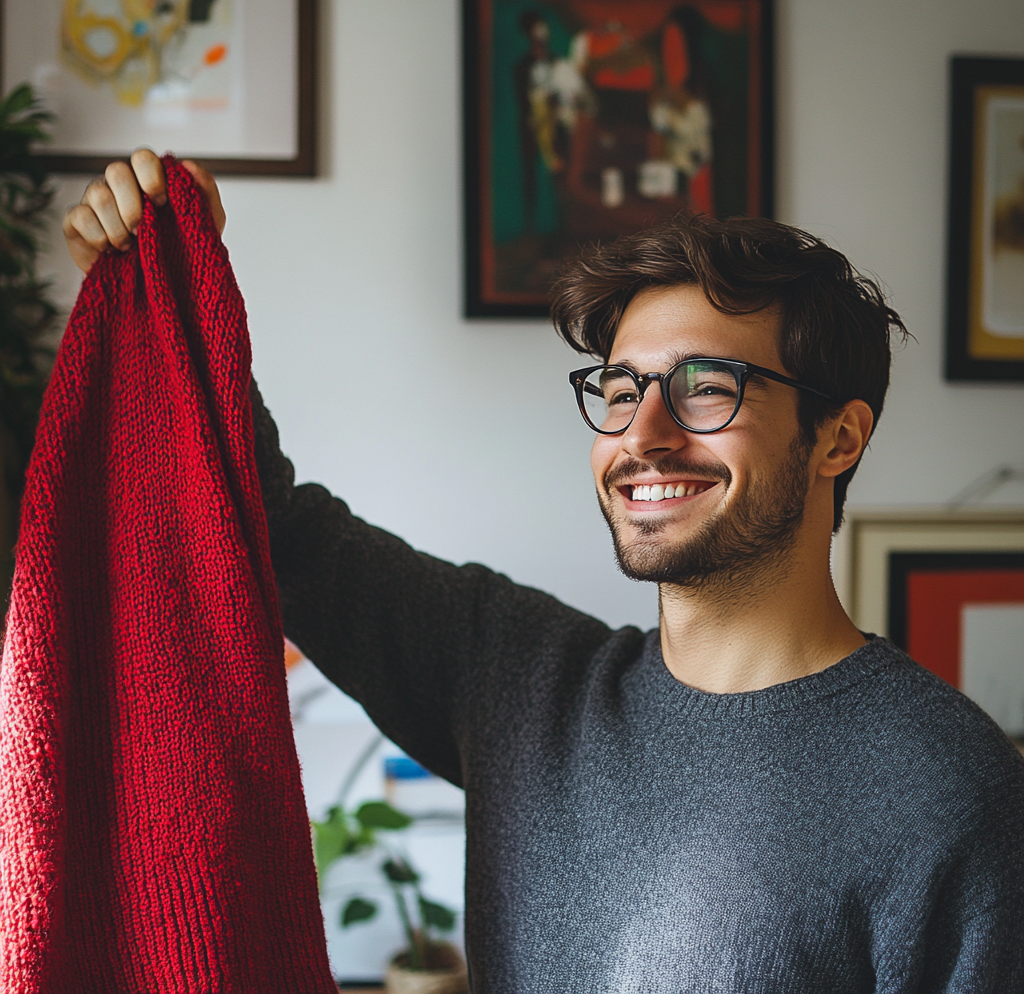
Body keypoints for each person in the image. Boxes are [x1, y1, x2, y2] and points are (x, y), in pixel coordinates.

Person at [63, 149, 1024, 993]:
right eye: (618, 391)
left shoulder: (947, 789)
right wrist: (162, 284)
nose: (642, 436)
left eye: (707, 389)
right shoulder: (518, 681)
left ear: (837, 438)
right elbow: (265, 519)